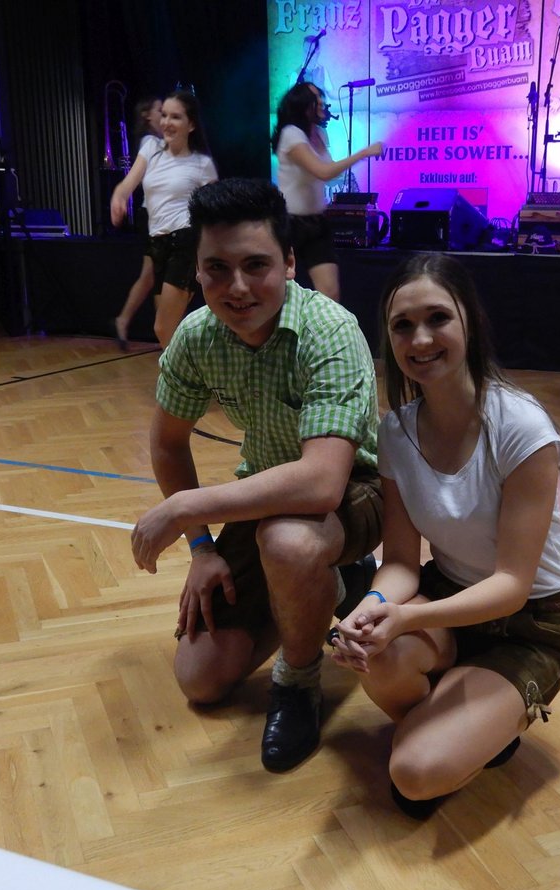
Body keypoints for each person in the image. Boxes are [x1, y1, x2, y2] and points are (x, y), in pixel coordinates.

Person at [130, 178, 382, 773]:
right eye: (217, 269)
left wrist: (184, 509)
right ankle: (329, 587)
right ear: (196, 271)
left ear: (289, 263)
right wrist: (201, 549)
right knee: (200, 678)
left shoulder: (330, 330)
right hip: (268, 497)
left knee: (289, 542)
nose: (237, 287)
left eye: (256, 265)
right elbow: (167, 444)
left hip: (359, 493)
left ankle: (298, 682)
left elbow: (322, 483)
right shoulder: (197, 337)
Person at [330, 254, 560, 819]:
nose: (420, 339)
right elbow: (401, 561)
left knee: (413, 775)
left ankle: (469, 724)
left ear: (469, 319)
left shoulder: (520, 426)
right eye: (402, 325)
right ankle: (460, 719)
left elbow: (513, 585)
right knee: (379, 655)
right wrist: (372, 609)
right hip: (448, 596)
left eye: (437, 318)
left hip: (532, 621)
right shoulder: (396, 431)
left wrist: (406, 618)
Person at [110, 90, 217, 350]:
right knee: (167, 331)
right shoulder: (151, 148)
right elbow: (128, 183)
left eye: (176, 117)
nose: (167, 122)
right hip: (157, 243)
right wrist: (118, 197)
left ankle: (184, 373)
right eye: (165, 115)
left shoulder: (202, 164)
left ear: (191, 124)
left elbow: (214, 213)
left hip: (185, 243)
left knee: (162, 327)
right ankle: (183, 372)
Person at [273, 81, 383, 302]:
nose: (322, 102)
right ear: (303, 105)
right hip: (290, 224)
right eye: (316, 98)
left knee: (330, 293)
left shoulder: (320, 133)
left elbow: (330, 173)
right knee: (281, 292)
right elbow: (323, 172)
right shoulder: (291, 134)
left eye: (321, 96)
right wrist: (363, 153)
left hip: (316, 222)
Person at [112, 97, 164, 349]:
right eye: (161, 111)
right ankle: (164, 335)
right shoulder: (151, 143)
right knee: (156, 276)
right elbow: (135, 177)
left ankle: (125, 321)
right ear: (147, 115)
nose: (165, 116)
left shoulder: (163, 143)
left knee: (150, 276)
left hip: (161, 218)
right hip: (153, 217)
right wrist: (120, 195)